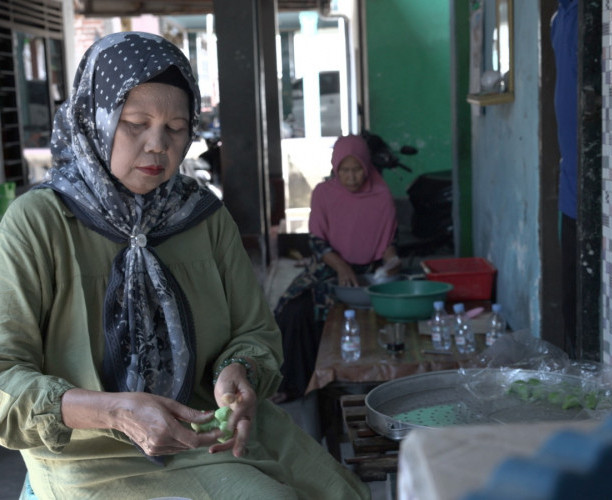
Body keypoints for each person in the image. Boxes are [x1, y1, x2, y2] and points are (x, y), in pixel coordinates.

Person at [0, 31, 368, 500]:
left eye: (176, 128)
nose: (158, 144)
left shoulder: (202, 217)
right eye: (136, 122)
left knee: (342, 493)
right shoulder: (40, 223)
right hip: (89, 453)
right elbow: (5, 377)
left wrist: (239, 372)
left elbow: (254, 332)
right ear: (96, 119)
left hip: (212, 435)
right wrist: (114, 412)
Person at [273, 135, 400, 403]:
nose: (351, 177)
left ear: (366, 167)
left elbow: (387, 244)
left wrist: (391, 264)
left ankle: (350, 382)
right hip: (328, 267)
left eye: (356, 170)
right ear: (335, 168)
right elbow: (317, 242)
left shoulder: (382, 195)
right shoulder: (324, 194)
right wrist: (342, 267)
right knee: (293, 310)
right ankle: (295, 384)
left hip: (367, 274)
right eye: (344, 170)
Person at [551, 0, 578, 358]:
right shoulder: (560, 18)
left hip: (600, 193)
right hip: (571, 188)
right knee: (572, 301)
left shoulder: (596, 14)